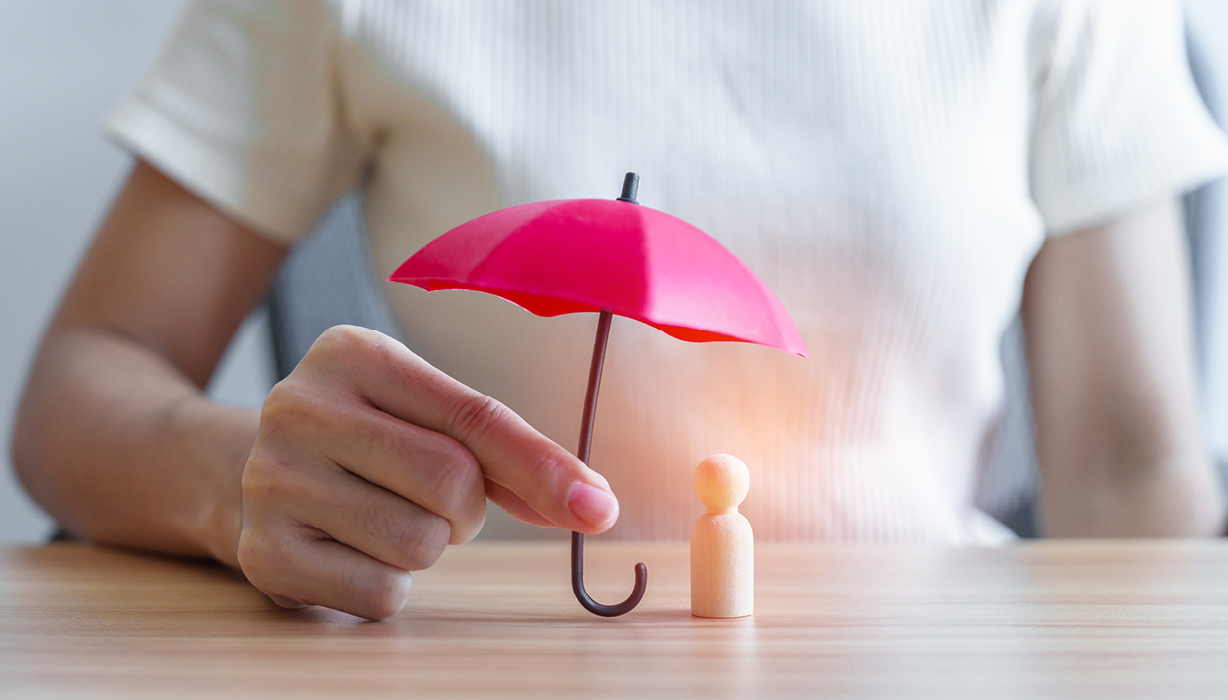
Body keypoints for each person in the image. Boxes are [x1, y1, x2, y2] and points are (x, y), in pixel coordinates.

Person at [12, 0, 1228, 620]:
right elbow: (85, 378)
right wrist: (238, 480)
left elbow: (1130, 477)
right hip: (471, 668)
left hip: (938, 662)